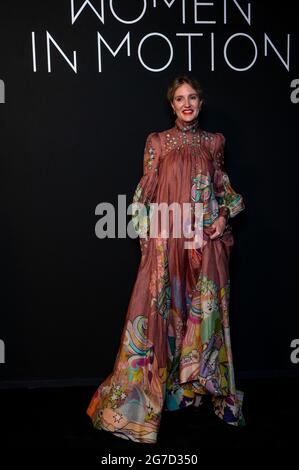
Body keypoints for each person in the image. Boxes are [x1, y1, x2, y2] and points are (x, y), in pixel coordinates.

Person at [86, 74, 246, 444]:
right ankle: (160, 396)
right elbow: (144, 192)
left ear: (201, 103)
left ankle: (193, 391)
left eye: (192, 97)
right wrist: (150, 243)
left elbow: (225, 189)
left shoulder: (214, 142)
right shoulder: (158, 141)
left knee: (199, 310)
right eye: (179, 99)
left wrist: (222, 218)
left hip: (203, 244)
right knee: (162, 311)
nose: (187, 104)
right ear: (171, 105)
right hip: (167, 241)